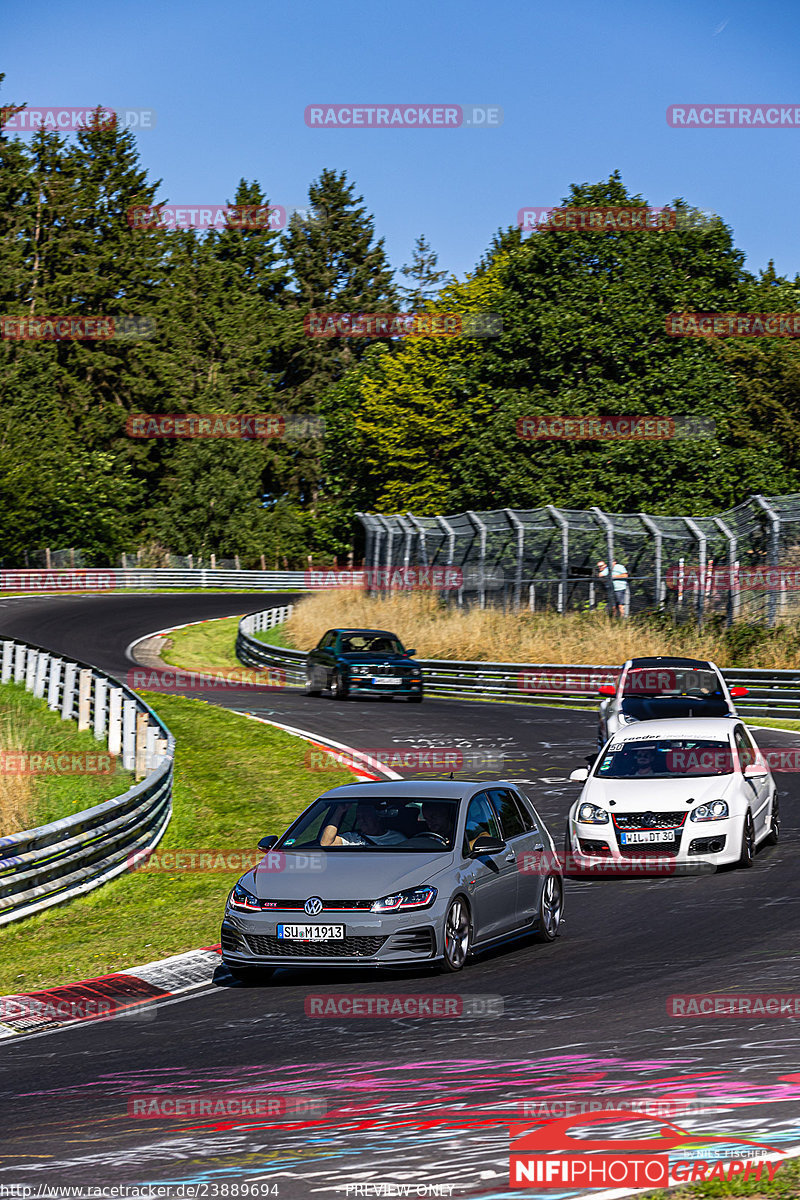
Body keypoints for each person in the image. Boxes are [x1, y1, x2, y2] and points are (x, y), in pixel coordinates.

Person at [320, 801, 406, 846]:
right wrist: (339, 811)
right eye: (359, 816)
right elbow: (326, 843)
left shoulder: (398, 838)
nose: (362, 820)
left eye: (366, 815)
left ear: (377, 817)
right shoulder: (351, 838)